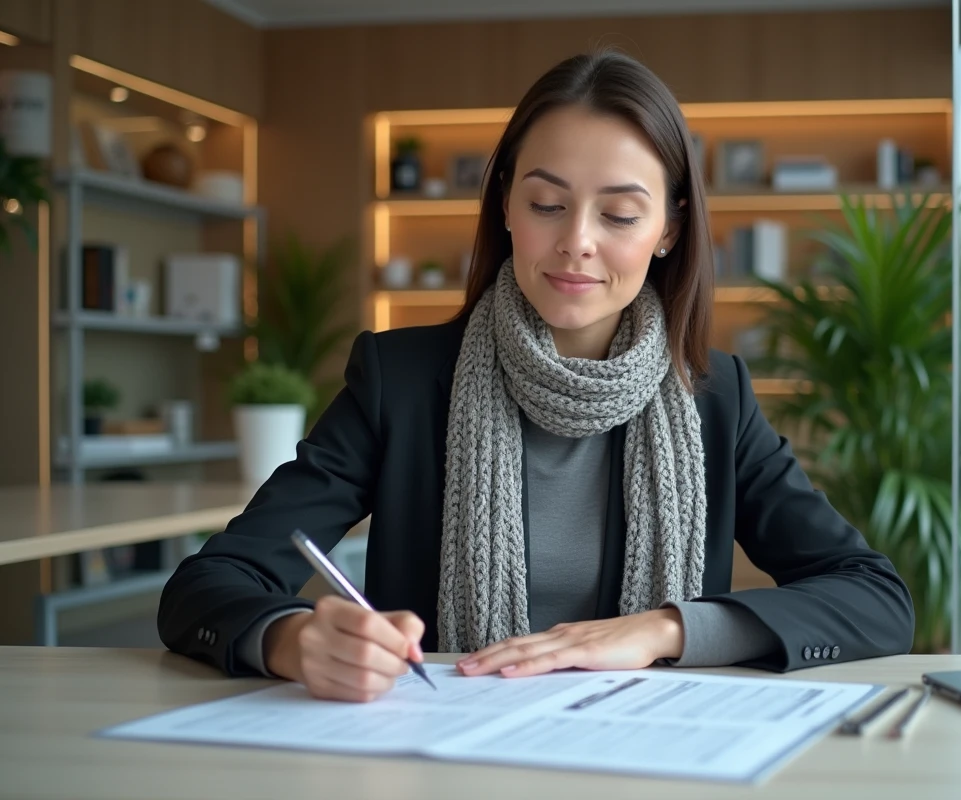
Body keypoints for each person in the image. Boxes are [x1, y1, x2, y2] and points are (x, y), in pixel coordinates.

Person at [159, 50, 914, 703]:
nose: (575, 243)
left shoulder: (716, 398)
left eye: (619, 215)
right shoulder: (402, 379)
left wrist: (663, 630)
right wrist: (293, 641)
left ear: (669, 231)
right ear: (508, 209)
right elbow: (208, 585)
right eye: (548, 204)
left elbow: (874, 598)